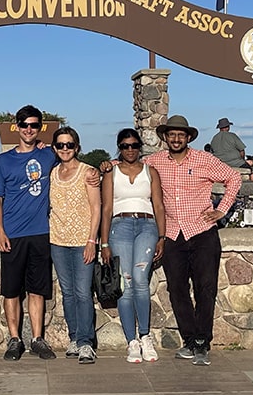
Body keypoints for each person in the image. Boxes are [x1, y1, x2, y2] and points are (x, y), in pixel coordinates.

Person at [146, 115, 241, 366]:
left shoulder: (205, 159)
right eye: (171, 134)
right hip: (173, 233)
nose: (176, 139)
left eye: (181, 134)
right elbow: (127, 164)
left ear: (188, 137)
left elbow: (234, 178)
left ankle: (202, 341)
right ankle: (189, 340)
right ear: (165, 137)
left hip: (202, 231)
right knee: (177, 289)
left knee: (205, 288)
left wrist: (223, 209)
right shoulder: (154, 162)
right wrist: (104, 166)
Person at [0, 104, 59, 361]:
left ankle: (37, 339)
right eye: (25, 125)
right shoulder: (3, 160)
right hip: (13, 234)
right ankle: (15, 339)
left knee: (37, 289)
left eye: (34, 125)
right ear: (16, 127)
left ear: (40, 128)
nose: (29, 129)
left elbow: (74, 158)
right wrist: (0, 231)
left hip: (41, 232)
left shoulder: (49, 155)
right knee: (11, 290)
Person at [100, 128, 166, 364]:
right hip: (120, 225)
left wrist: (162, 236)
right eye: (125, 146)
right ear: (119, 147)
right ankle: (132, 341)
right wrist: (104, 241)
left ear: (140, 147)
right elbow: (106, 208)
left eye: (134, 145)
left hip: (146, 225)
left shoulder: (151, 172)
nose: (130, 150)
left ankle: (145, 335)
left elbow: (158, 205)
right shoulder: (111, 173)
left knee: (140, 278)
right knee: (125, 282)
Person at [48, 127, 101, 364]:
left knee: (82, 293)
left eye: (69, 145)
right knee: (67, 293)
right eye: (60, 145)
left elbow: (96, 208)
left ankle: (86, 342)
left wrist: (92, 240)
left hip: (82, 241)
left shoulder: (87, 172)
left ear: (77, 147)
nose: (65, 149)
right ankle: (73, 338)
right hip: (57, 241)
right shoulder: (52, 173)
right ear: (54, 148)